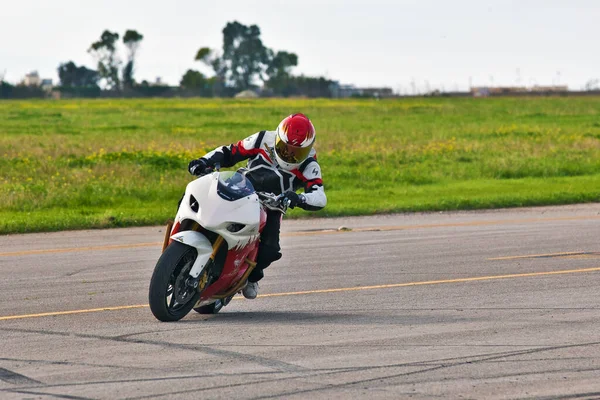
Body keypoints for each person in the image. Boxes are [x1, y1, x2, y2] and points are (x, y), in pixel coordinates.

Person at [187, 113, 327, 299]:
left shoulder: (309, 163)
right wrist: (204, 161)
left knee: (270, 250)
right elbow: (231, 151)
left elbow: (319, 196)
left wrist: (298, 199)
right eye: (286, 148)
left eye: (297, 152)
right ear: (278, 138)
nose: (291, 154)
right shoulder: (263, 139)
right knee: (201, 197)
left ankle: (252, 277)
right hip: (240, 187)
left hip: (273, 204)